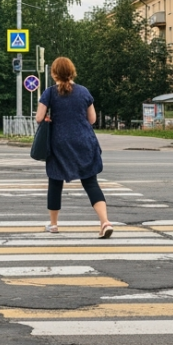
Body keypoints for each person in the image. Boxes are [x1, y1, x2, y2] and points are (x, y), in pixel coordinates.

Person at [35, 56, 111, 239]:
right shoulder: (84, 92)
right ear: (72, 72)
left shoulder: (50, 93)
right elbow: (92, 119)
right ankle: (105, 222)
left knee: (55, 182)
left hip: (59, 143)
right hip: (84, 141)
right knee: (90, 182)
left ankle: (53, 224)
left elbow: (39, 118)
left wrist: (49, 118)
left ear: (54, 74)